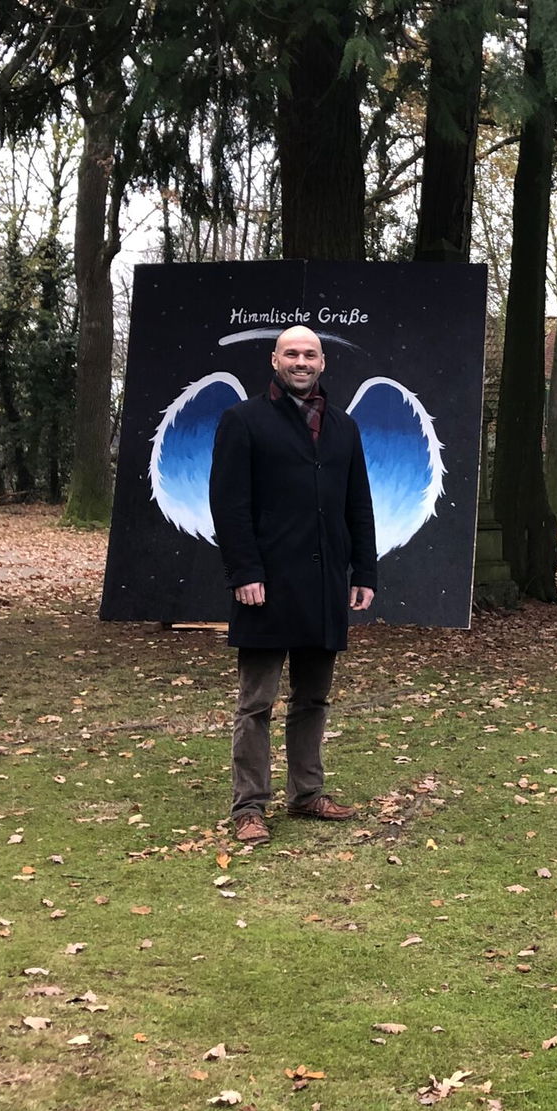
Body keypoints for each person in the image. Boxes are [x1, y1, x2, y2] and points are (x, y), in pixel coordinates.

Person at [209, 325, 377, 845]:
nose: (301, 361)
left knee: (314, 700)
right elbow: (228, 504)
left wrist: (364, 571)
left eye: (310, 354)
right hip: (265, 585)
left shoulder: (344, 428)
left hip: (325, 585)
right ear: (274, 360)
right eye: (292, 353)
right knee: (255, 703)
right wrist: (246, 572)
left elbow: (358, 505)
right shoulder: (243, 421)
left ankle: (307, 794)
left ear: (322, 362)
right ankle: (249, 808)